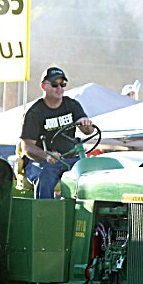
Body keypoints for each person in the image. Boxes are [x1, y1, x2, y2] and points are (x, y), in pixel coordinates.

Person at [19, 66, 95, 199]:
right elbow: (27, 147)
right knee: (45, 175)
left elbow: (88, 131)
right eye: (55, 84)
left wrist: (86, 124)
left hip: (70, 160)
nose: (59, 88)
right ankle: (44, 210)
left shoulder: (72, 105)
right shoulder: (34, 112)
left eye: (63, 84)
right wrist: (46, 156)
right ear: (43, 86)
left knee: (92, 173)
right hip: (40, 162)